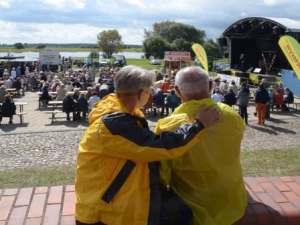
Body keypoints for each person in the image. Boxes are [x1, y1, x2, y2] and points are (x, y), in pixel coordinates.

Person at [75, 65, 220, 225]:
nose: (151, 94)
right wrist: (198, 125)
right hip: (104, 211)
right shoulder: (114, 123)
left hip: (114, 195)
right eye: (149, 90)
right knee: (182, 215)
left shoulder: (121, 112)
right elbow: (159, 146)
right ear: (140, 94)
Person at [156, 66, 247, 225]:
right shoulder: (233, 116)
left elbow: (162, 174)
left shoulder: (167, 126)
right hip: (231, 201)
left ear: (177, 90)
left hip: (192, 206)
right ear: (211, 85)